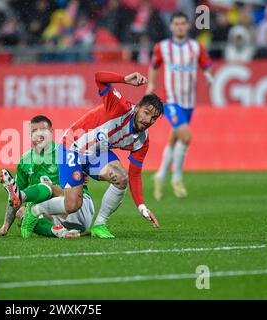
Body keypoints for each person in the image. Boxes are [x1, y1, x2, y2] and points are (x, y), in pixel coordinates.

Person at [15, 71, 162, 239]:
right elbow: (99, 77)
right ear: (137, 108)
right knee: (72, 205)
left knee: (122, 179)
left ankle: (100, 225)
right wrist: (125, 80)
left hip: (97, 153)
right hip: (72, 147)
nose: (148, 119)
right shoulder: (119, 107)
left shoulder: (142, 141)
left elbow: (135, 175)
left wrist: (142, 207)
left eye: (154, 118)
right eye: (146, 112)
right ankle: (35, 210)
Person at [146, 11, 213, 200]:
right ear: (171, 27)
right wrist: (151, 84)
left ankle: (159, 176)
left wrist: (208, 76)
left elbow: (206, 64)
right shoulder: (163, 47)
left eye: (183, 23)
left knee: (174, 139)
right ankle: (177, 178)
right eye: (176, 24)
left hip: (189, 102)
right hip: (171, 101)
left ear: (188, 25)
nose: (180, 27)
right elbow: (154, 65)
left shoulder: (195, 47)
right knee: (186, 137)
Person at [0, 115, 94, 239]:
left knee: (42, 190)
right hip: (56, 216)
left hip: (78, 209)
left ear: (51, 132)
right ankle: (60, 232)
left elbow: (89, 167)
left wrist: (83, 172)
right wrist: (5, 226)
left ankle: (23, 196)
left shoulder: (66, 152)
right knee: (21, 211)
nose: (38, 134)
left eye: (42, 130)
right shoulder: (25, 160)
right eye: (34, 131)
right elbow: (13, 197)